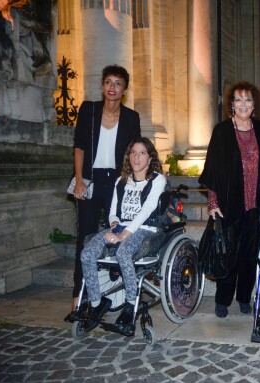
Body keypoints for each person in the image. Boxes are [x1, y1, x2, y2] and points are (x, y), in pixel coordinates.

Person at [199, 81, 260, 318]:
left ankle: (244, 297)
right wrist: (213, 203)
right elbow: (213, 169)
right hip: (230, 203)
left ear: (254, 104)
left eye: (248, 100)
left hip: (256, 203)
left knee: (249, 253)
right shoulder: (222, 131)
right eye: (238, 100)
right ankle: (222, 300)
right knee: (228, 253)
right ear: (231, 105)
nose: (243, 104)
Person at [65, 65, 141, 322]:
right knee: (85, 238)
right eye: (108, 82)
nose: (112, 87)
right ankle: (79, 298)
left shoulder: (131, 117)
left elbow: (134, 154)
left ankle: (110, 292)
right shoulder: (89, 109)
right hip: (91, 179)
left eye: (118, 83)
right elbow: (79, 147)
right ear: (102, 86)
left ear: (125, 90)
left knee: (115, 235)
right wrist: (78, 180)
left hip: (117, 181)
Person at [80, 137, 167, 334]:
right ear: (129, 156)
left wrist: (124, 235)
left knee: (123, 253)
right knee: (86, 254)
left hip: (145, 228)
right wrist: (114, 226)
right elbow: (113, 211)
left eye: (142, 153)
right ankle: (96, 303)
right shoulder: (121, 181)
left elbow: (146, 209)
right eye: (133, 152)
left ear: (149, 157)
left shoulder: (157, 180)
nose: (136, 157)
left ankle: (130, 305)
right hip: (122, 226)